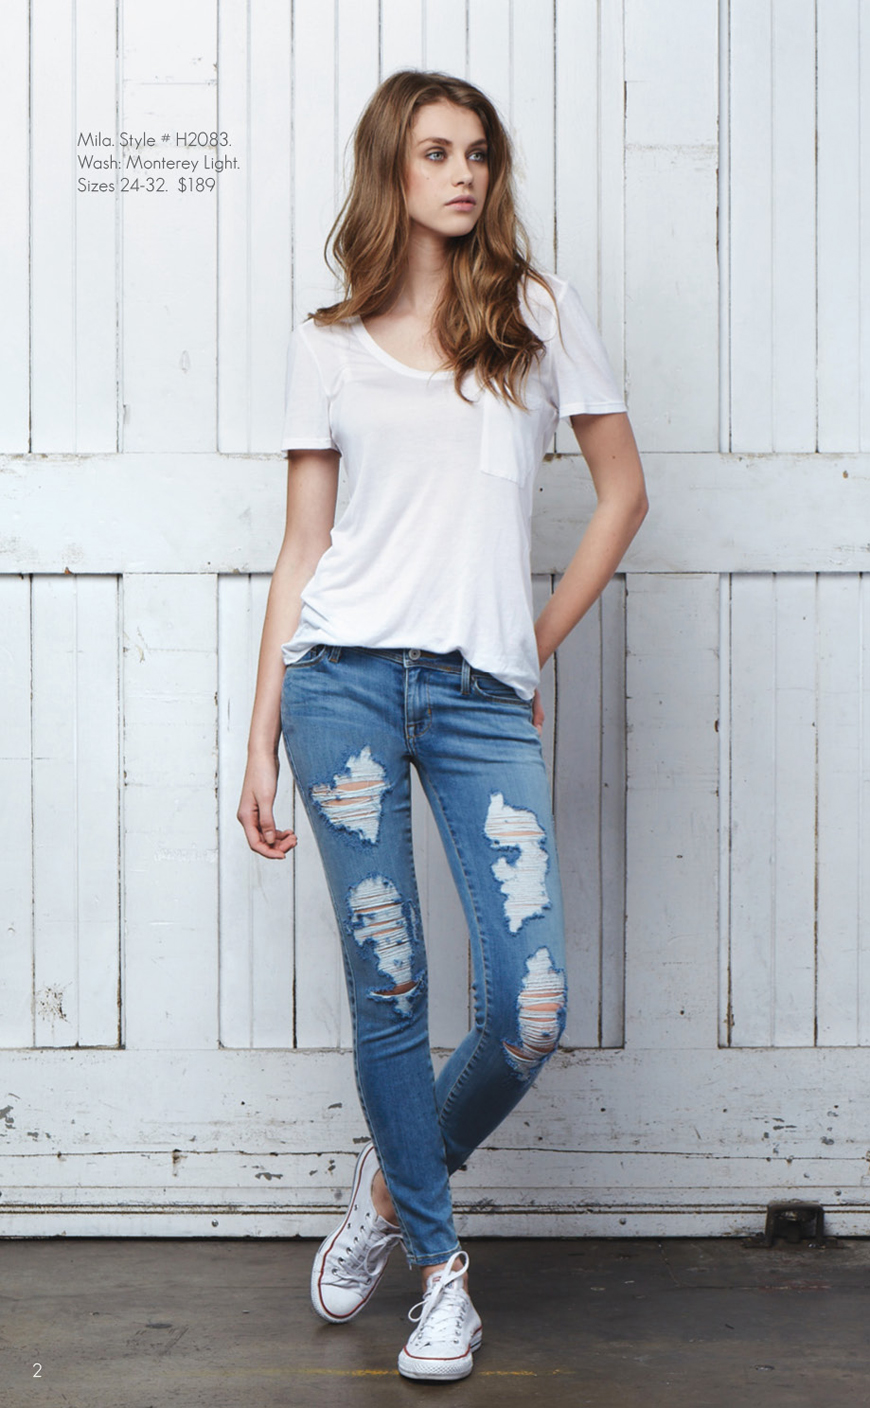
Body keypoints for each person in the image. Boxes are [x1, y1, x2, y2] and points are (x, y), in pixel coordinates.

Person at [237, 69, 647, 1384]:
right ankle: (440, 1275)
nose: (463, 173)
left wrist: (528, 643)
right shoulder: (326, 343)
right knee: (392, 988)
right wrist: (258, 740)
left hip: (479, 698)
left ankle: (385, 1190)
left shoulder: (536, 314)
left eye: (478, 153)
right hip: (339, 686)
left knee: (530, 1005)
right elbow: (302, 549)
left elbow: (623, 494)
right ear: (390, 169)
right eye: (434, 152)